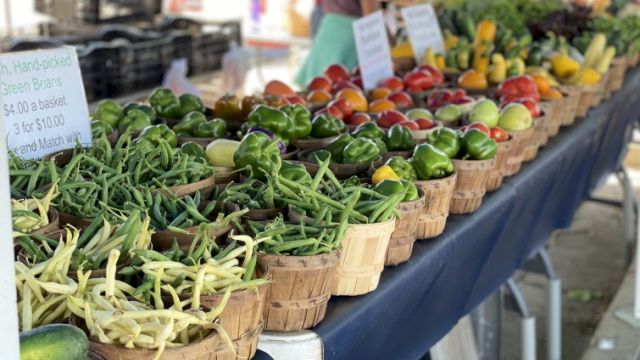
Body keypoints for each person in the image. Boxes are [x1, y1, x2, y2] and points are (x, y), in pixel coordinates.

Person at [295, 0, 380, 87]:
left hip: (330, 27)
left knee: (320, 91)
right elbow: (372, 17)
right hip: (351, 34)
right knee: (347, 91)